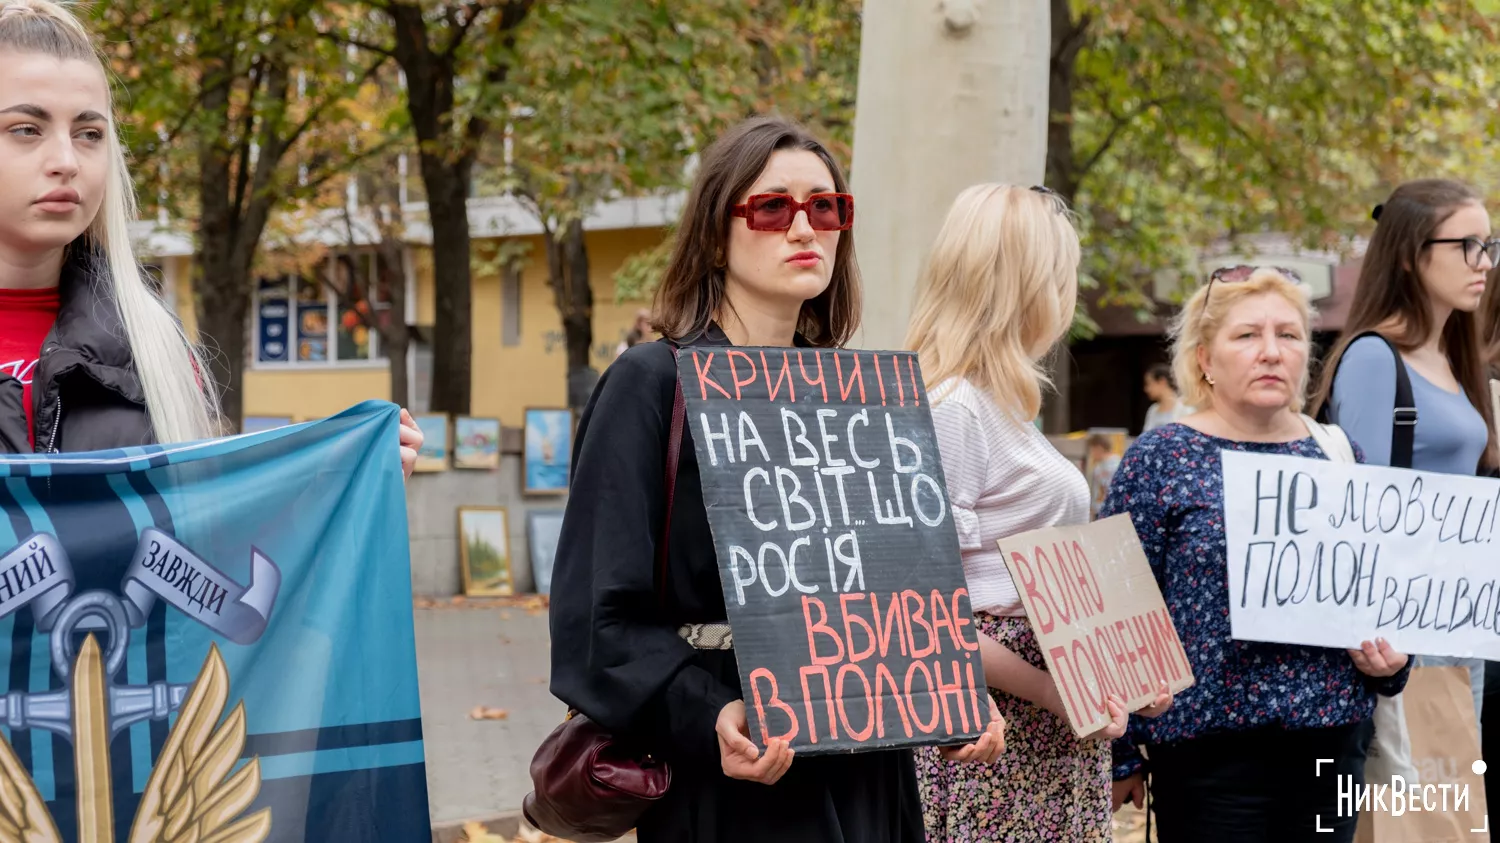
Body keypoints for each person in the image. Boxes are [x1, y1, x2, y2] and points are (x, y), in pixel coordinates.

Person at [546, 116, 1003, 843]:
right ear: (714, 229)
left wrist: (946, 694)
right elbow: (596, 622)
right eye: (773, 207)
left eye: (826, 208)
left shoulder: (859, 393)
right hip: (739, 768)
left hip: (870, 772)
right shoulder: (652, 382)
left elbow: (896, 592)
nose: (805, 228)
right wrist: (707, 712)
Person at [0, 0, 423, 472]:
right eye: (26, 129)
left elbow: (208, 534)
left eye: (89, 133)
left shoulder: (155, 348)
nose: (67, 159)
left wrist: (348, 479)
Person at [1103, 267, 1410, 842]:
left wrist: (1392, 665)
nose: (1271, 352)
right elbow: (1113, 610)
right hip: (1206, 761)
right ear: (1204, 359)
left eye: (1289, 335)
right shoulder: (1162, 459)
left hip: (1330, 747)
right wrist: (1122, 752)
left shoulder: (1339, 455)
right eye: (1247, 336)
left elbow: (1381, 598)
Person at [904, 184, 1171, 843]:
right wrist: (1057, 692)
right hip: (1000, 729)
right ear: (1029, 283)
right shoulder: (955, 407)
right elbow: (927, 608)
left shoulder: (994, 405)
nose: (1070, 290)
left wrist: (1125, 671)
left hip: (1043, 720)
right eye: (1064, 272)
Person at [1310, 179, 1498, 729]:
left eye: (1489, 244)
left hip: (1461, 613)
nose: (1483, 262)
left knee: (1453, 799)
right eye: (1467, 245)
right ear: (1412, 256)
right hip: (1403, 627)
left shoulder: (1452, 358)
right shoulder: (1375, 357)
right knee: (1411, 803)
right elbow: (1360, 508)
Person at [1141, 363, 1191, 432]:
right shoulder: (1153, 410)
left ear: (1162, 381)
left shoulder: (1185, 408)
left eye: (1149, 384)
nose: (1146, 389)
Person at [1085, 433, 1121, 520]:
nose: (1092, 454)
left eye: (1092, 450)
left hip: (1111, 511)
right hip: (1098, 509)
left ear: (1099, 448)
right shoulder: (1098, 466)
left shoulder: (1116, 465)